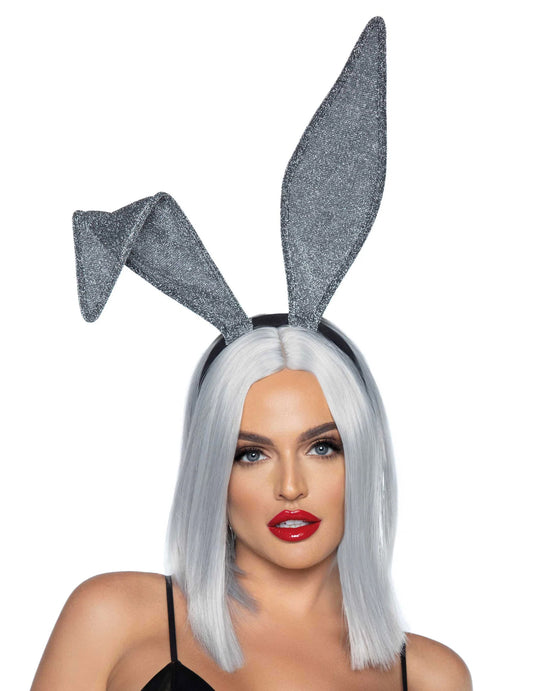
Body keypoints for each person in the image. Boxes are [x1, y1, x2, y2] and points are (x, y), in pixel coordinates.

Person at [31, 16, 472, 690]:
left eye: (322, 446)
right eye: (251, 453)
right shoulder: (116, 617)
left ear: (364, 454)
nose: (291, 486)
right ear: (211, 469)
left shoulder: (433, 675)